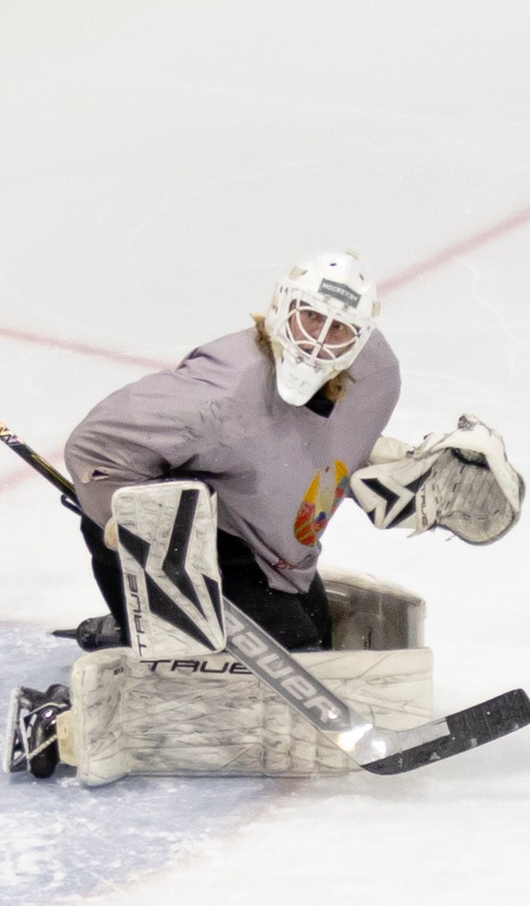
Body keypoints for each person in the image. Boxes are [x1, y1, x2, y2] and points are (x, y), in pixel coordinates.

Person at [59, 251, 400, 653]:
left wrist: (397, 469)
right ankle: (132, 650)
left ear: (361, 338)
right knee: (296, 657)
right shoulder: (222, 391)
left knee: (317, 645)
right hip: (200, 542)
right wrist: (123, 521)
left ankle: (135, 636)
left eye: (338, 327)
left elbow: (317, 445)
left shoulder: (376, 376)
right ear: (282, 307)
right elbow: (94, 448)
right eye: (310, 316)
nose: (318, 340)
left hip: (276, 557)